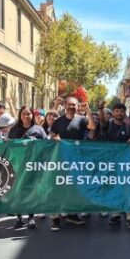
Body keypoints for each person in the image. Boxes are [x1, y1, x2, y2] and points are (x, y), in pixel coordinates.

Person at [49, 96, 97, 231]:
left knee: (74, 187)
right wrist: (55, 138)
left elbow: (92, 126)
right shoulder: (58, 121)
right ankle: (55, 218)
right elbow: (52, 135)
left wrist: (88, 111)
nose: (71, 107)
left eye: (74, 105)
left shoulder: (82, 119)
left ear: (77, 107)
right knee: (58, 187)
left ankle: (72, 214)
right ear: (64, 106)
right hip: (61, 159)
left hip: (77, 159)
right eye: (69, 104)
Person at [8, 105, 47, 229]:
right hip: (17, 165)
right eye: (23, 114)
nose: (26, 116)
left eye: (28, 114)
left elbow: (47, 146)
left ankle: (31, 217)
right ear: (20, 115)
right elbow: (7, 146)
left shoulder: (39, 129)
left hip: (33, 166)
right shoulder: (14, 130)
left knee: (31, 191)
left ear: (32, 115)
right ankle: (19, 218)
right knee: (18, 191)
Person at [100, 103, 130, 228]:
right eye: (116, 111)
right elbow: (102, 121)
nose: (119, 113)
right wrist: (100, 109)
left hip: (126, 163)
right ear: (113, 113)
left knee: (128, 188)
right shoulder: (108, 125)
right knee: (114, 188)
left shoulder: (129, 128)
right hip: (111, 163)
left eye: (121, 111)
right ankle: (115, 214)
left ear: (124, 113)